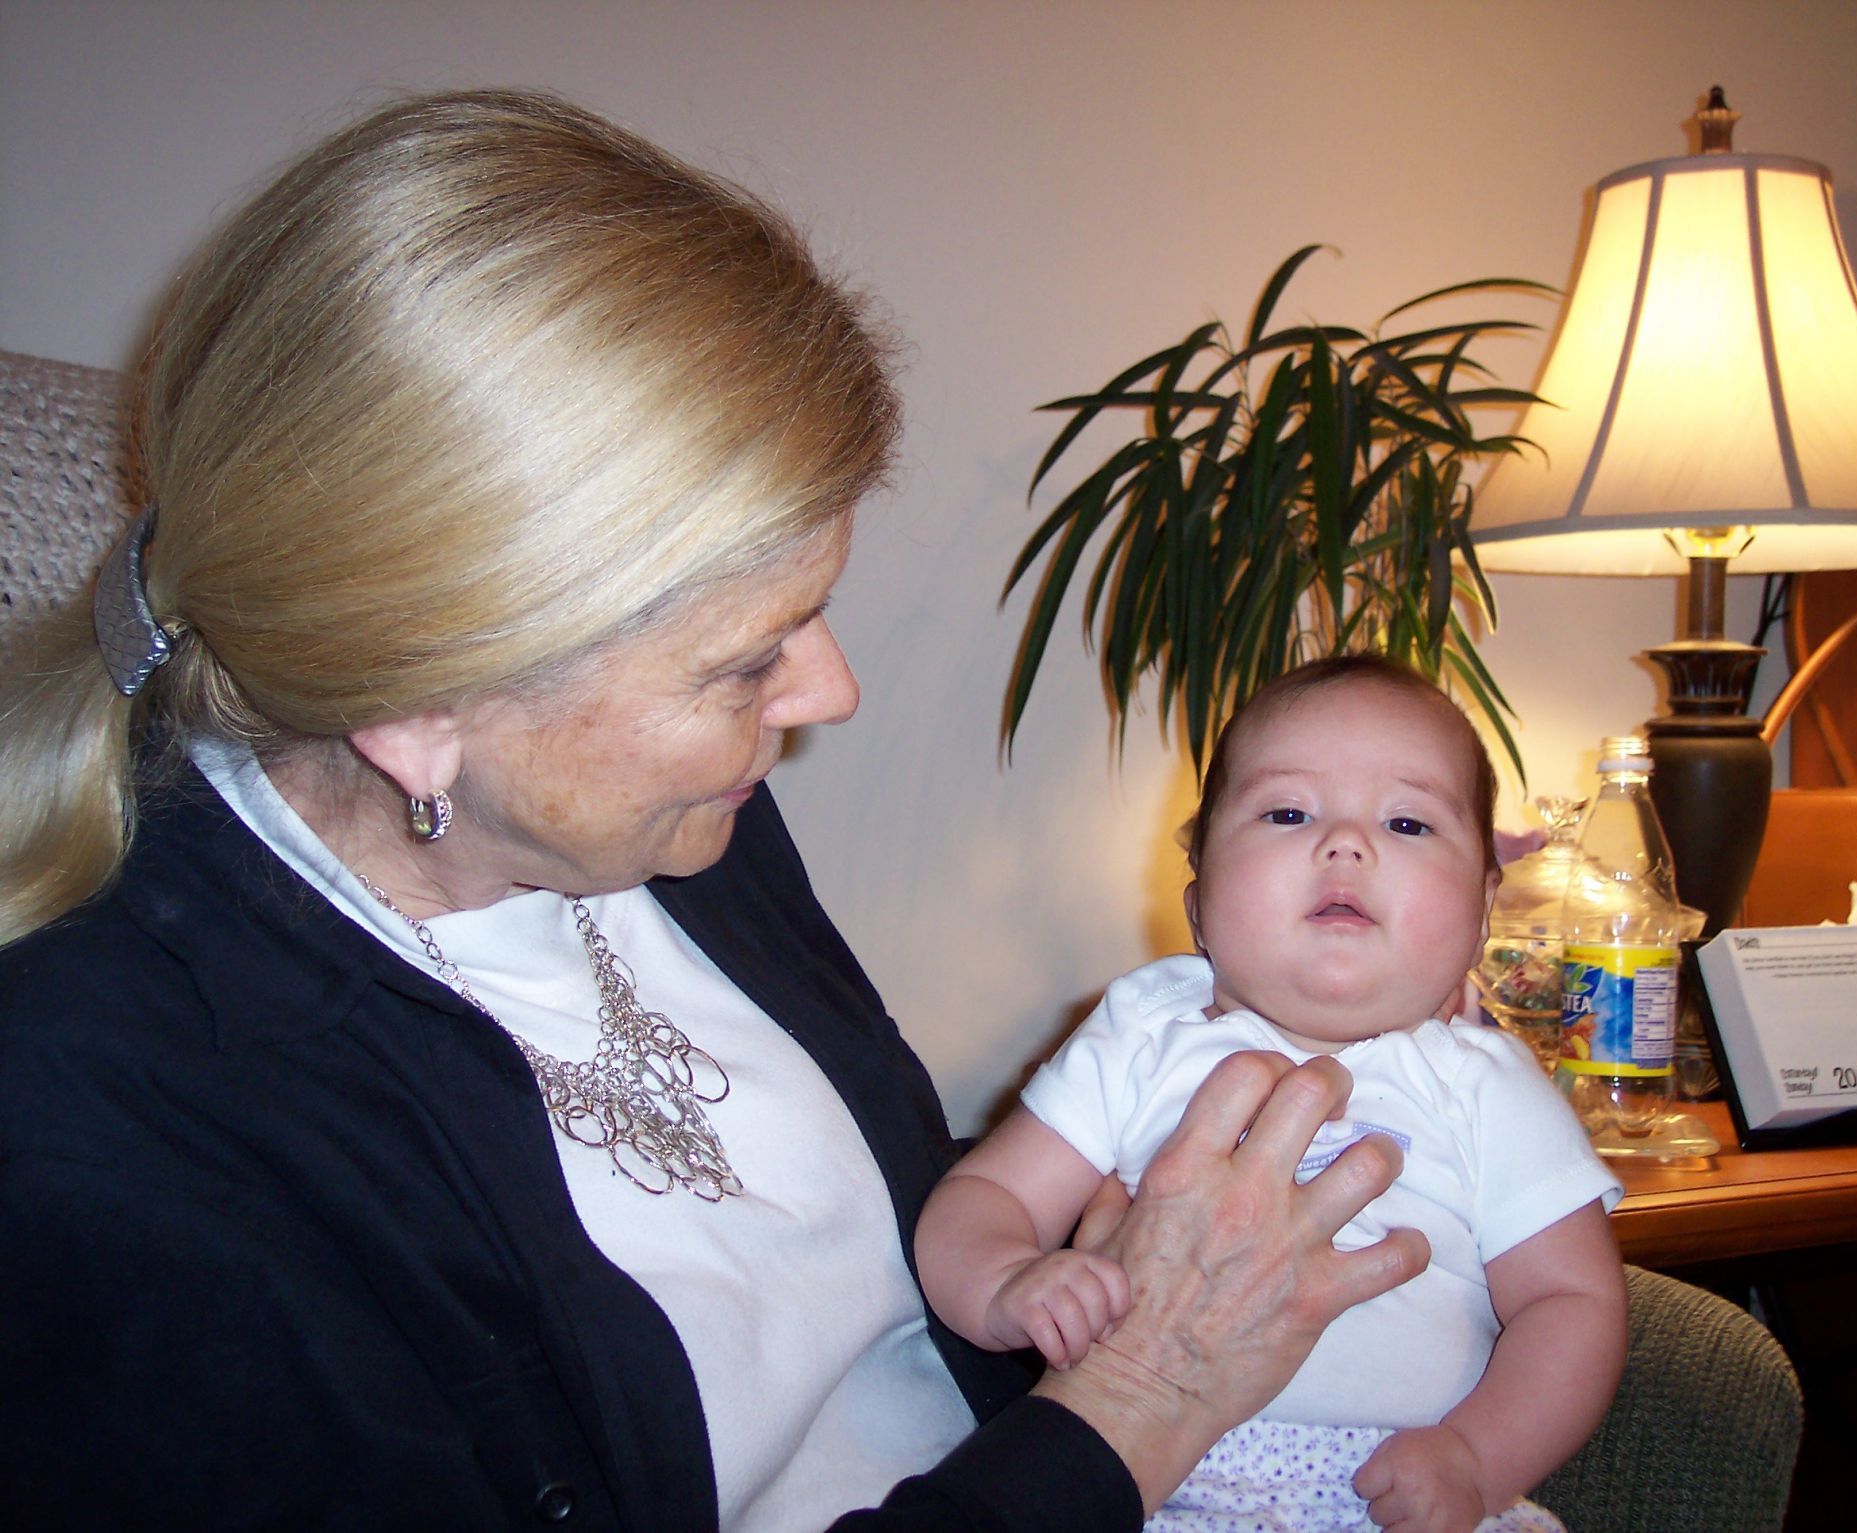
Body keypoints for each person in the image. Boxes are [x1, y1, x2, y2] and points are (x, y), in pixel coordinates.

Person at [0, 91, 1431, 1530]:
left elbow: (868, 1277)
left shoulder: (673, 830)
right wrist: (1148, 1392)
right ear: (421, 710)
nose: (829, 691)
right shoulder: (109, 1139)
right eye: (746, 660)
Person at [916, 657, 1628, 1533]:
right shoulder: (1143, 1031)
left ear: (1485, 908)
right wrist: (1004, 1281)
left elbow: (1573, 1305)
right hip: (1133, 1478)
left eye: (1408, 821)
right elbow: (987, 1194)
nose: (1346, 844)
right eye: (1288, 812)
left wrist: (1478, 1458)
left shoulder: (1487, 1086)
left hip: (1393, 1492)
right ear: (1198, 895)